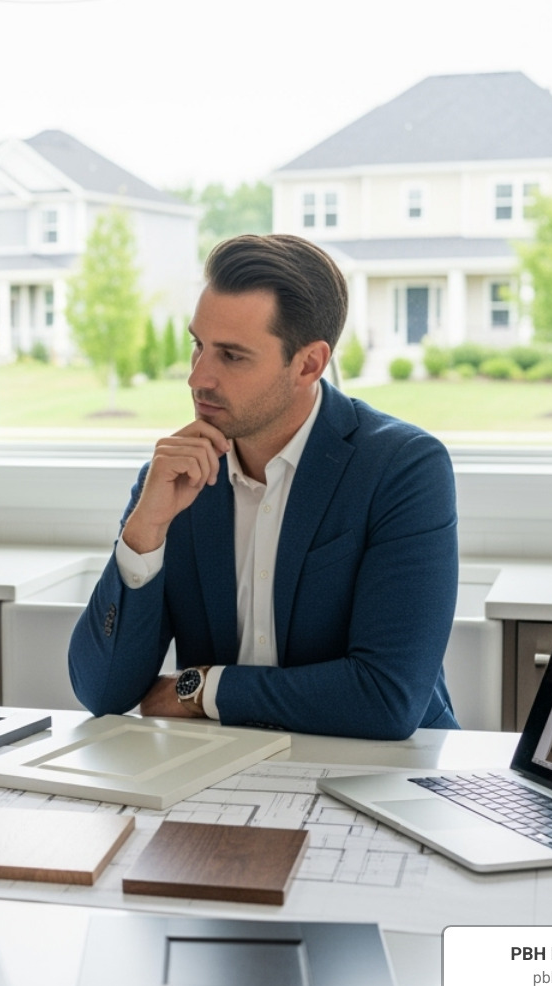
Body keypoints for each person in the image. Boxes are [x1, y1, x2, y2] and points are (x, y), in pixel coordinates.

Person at [68, 233, 459, 740]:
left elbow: (385, 698)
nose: (197, 378)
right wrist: (145, 530)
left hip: (384, 773)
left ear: (308, 364)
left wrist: (201, 689)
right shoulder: (176, 478)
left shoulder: (402, 468)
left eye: (231, 356)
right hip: (220, 769)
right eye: (198, 346)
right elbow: (102, 691)